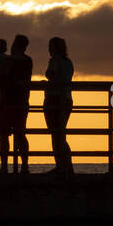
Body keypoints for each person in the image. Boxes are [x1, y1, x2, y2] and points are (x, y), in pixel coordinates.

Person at [0, 34, 33, 174]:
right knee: (21, 134)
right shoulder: (28, 61)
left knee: (3, 135)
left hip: (5, 100)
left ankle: (4, 167)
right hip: (22, 102)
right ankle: (25, 167)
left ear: (15, 46)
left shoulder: (6, 61)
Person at [43, 36, 75, 175]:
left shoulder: (54, 60)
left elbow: (51, 74)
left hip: (54, 99)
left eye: (50, 47)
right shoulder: (69, 62)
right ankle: (67, 166)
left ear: (54, 48)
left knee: (55, 134)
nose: (49, 50)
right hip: (67, 99)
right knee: (61, 134)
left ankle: (60, 166)